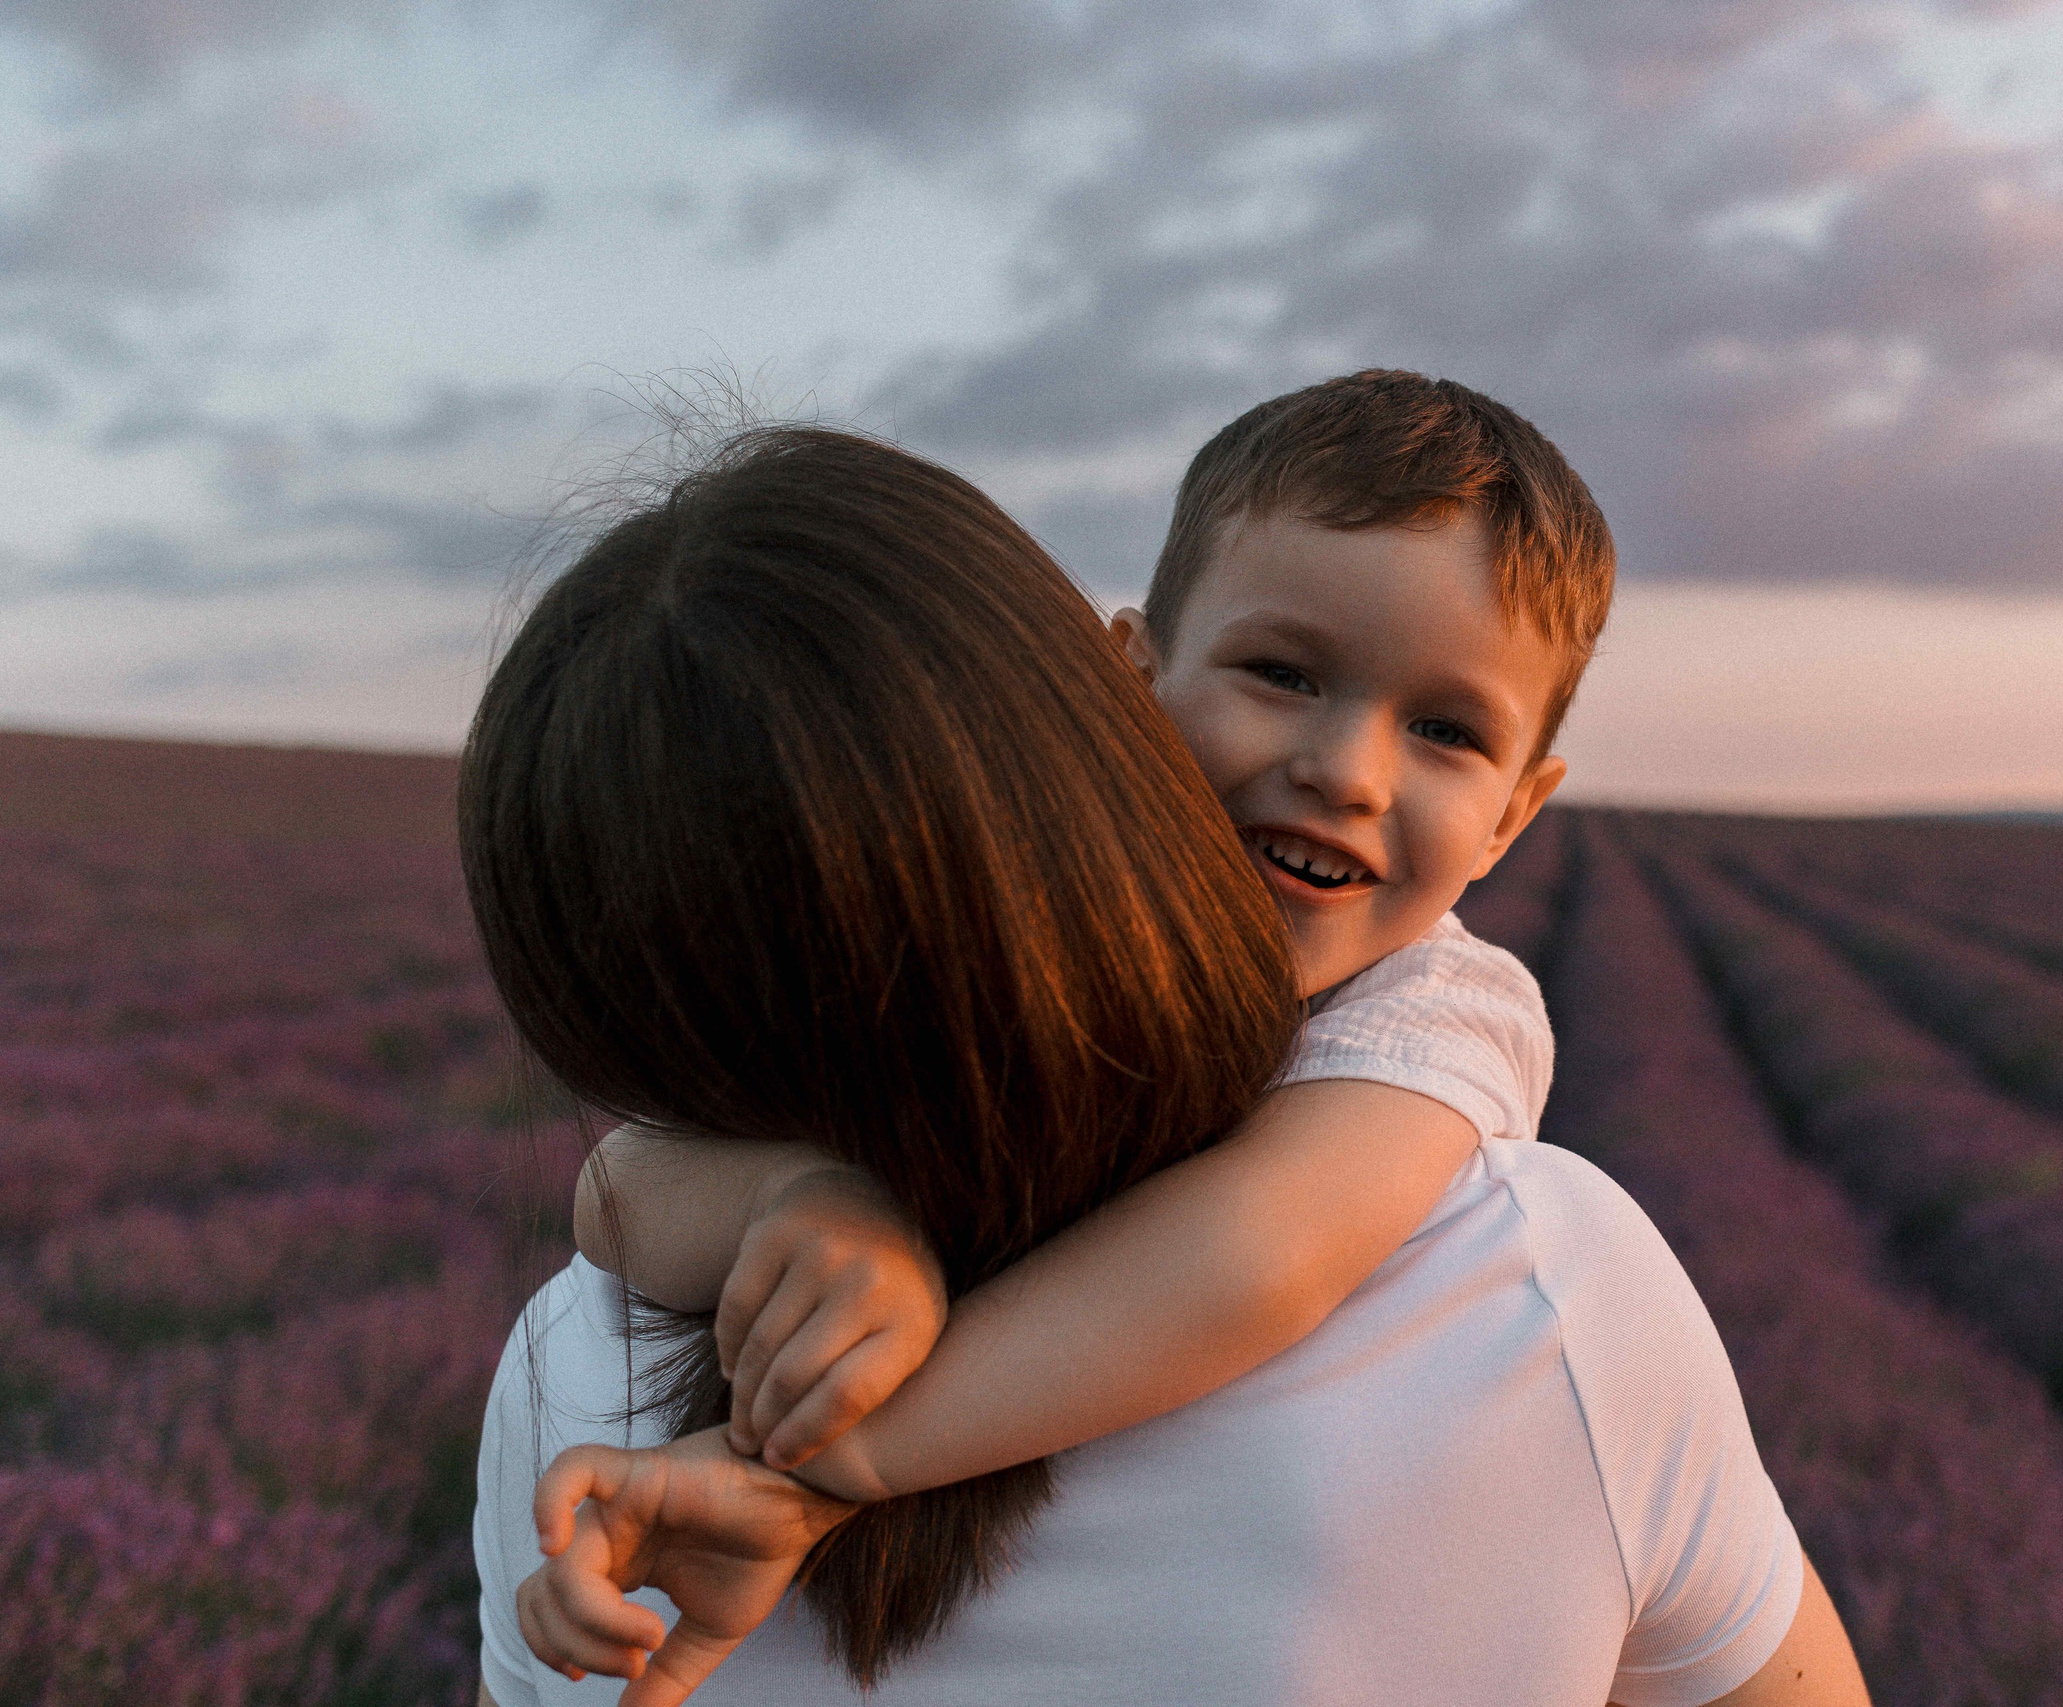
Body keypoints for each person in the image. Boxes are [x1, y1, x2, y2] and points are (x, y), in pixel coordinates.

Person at [469, 419, 1869, 1705]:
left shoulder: (569, 1372)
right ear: (1125, 685)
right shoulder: (1539, 1291)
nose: (1347, 770)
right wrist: (816, 1206)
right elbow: (623, 1186)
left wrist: (830, 1448)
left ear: (1517, 813)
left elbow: (1265, 1248)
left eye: (1446, 731)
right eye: (1282, 674)